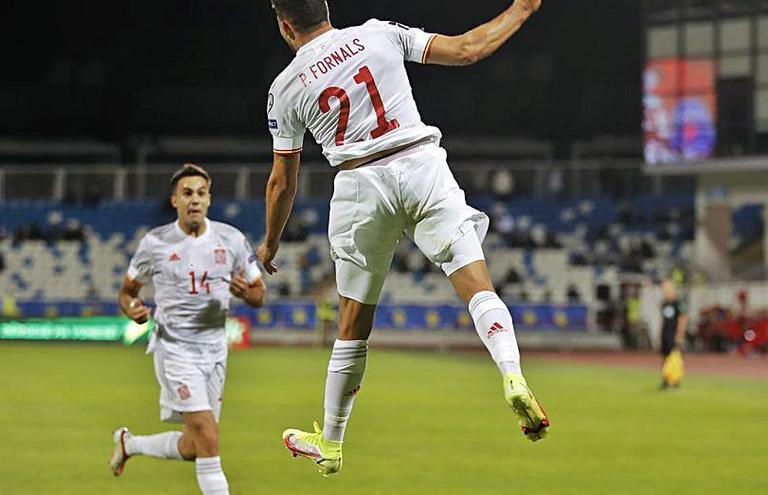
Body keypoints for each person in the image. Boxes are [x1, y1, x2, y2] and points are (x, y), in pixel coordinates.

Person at [258, 0, 548, 477]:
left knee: (352, 323)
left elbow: (281, 182)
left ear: (285, 26)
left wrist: (270, 242)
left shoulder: (285, 88)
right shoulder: (379, 33)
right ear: (326, 9)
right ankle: (511, 371)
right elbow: (467, 50)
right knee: (477, 285)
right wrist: (520, 8)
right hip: (420, 163)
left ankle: (331, 442)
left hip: (358, 185)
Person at [110, 164, 265, 495]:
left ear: (209, 200)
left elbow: (258, 294)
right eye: (187, 193)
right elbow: (127, 291)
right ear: (174, 201)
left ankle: (129, 444)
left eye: (201, 193)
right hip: (175, 349)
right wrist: (131, 308)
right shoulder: (155, 243)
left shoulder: (232, 239)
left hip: (214, 350)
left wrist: (245, 293)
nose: (194, 200)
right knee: (209, 438)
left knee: (193, 446)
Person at [659, 280, 687, 389]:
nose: (666, 292)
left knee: (675, 358)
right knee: (665, 358)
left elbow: (683, 319)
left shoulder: (678, 304)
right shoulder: (664, 304)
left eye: (668, 290)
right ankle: (666, 379)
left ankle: (676, 380)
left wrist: (680, 335)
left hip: (674, 334)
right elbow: (664, 320)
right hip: (665, 334)